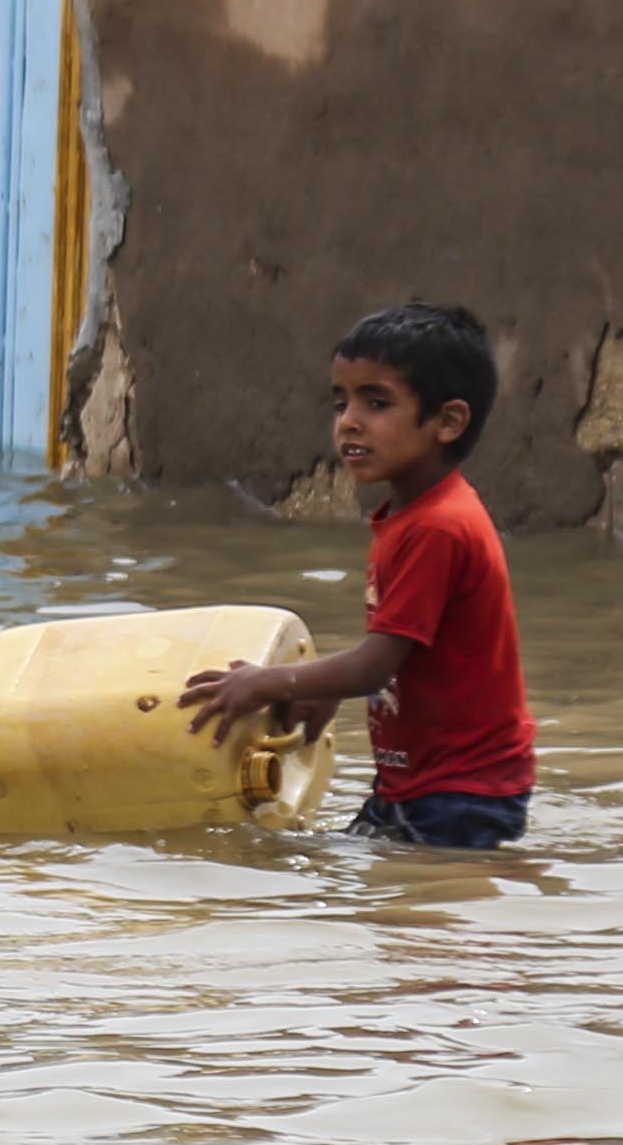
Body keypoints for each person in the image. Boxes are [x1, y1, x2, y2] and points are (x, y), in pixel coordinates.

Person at [182, 302, 535, 850]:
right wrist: (332, 687)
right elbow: (403, 648)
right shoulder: (412, 515)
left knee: (414, 922)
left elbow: (376, 665)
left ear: (448, 421)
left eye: (377, 402)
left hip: (460, 793)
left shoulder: (439, 527)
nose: (349, 420)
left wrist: (265, 682)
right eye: (340, 401)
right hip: (421, 782)